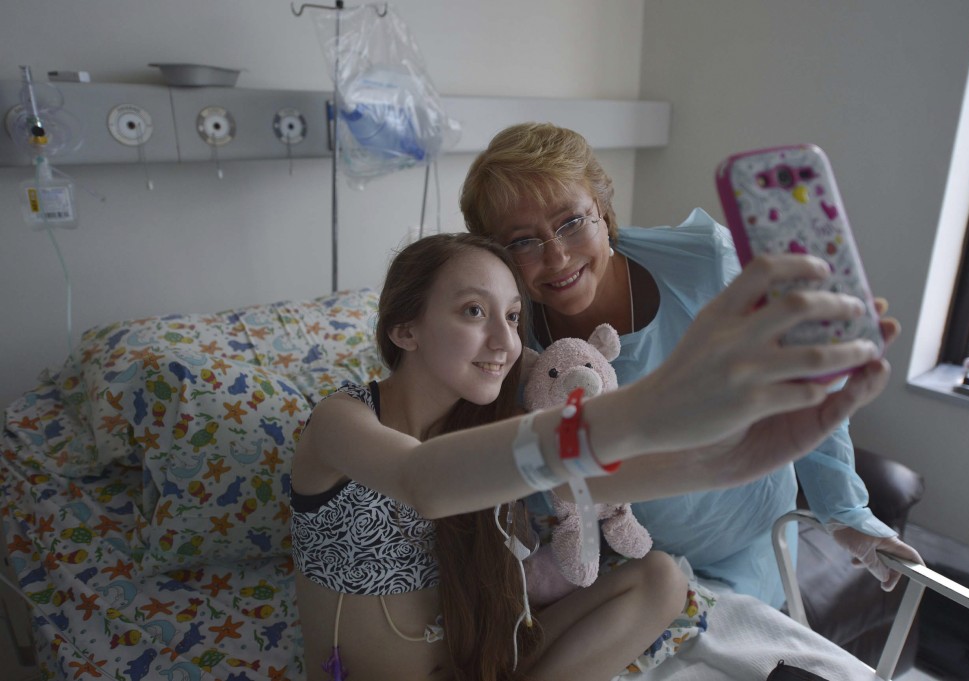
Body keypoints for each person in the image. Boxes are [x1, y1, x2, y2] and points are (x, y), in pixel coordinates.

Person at [290, 232, 891, 680]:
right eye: (474, 311)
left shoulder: (493, 415)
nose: (504, 342)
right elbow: (420, 480)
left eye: (513, 315)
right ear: (405, 330)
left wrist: (735, 459)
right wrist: (648, 406)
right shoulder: (341, 423)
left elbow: (597, 482)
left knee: (660, 577)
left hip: (487, 667)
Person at [460, 121, 921, 608]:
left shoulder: (707, 266)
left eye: (571, 222)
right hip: (630, 562)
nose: (556, 256)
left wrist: (846, 513)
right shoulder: (507, 338)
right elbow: (532, 469)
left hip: (746, 540)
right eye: (522, 241)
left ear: (603, 209)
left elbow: (805, 379)